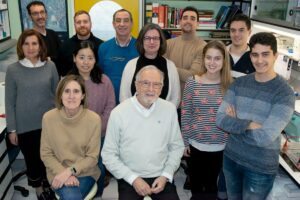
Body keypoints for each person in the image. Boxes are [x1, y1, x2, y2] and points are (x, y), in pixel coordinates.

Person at [216, 32, 295, 200]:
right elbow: (220, 119)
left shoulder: (284, 93)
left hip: (260, 168)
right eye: (255, 54)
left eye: (265, 54)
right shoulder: (239, 83)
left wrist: (236, 123)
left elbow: (264, 137)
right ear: (250, 55)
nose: (259, 60)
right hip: (231, 159)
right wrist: (251, 124)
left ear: (275, 55)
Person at [102, 65, 184, 200]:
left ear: (162, 87)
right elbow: (108, 155)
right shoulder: (119, 113)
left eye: (156, 84)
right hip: (130, 177)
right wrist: (133, 179)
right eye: (146, 83)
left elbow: (177, 147)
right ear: (136, 84)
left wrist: (166, 175)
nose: (151, 89)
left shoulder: (169, 109)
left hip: (161, 176)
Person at [5, 29, 59, 200]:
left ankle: (49, 184)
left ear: (40, 46)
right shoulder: (13, 70)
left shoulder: (50, 66)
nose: (30, 47)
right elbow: (9, 102)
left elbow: (57, 94)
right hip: (25, 125)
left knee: (49, 158)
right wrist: (12, 129)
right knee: (32, 159)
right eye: (26, 43)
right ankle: (38, 189)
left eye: (34, 43)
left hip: (49, 124)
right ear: (21, 46)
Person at [181, 40, 232, 200]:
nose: (212, 62)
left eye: (217, 58)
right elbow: (186, 112)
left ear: (224, 61)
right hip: (195, 143)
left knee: (211, 187)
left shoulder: (230, 85)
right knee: (196, 187)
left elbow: (234, 119)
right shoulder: (193, 82)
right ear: (203, 59)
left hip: (220, 145)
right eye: (208, 57)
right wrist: (184, 142)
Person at [40, 75, 101, 200]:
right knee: (71, 196)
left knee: (71, 197)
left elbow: (92, 157)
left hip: (85, 172)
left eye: (76, 91)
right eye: (67, 91)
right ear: (60, 95)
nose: (71, 96)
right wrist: (63, 173)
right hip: (57, 171)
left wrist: (70, 172)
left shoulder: (94, 119)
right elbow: (46, 154)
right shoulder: (48, 118)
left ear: (83, 96)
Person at [69, 40, 116, 197]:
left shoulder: (105, 81)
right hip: (73, 136)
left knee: (99, 167)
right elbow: (61, 110)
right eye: (81, 57)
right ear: (74, 58)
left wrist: (96, 129)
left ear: (95, 60)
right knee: (77, 167)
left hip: (99, 135)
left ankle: (98, 195)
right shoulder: (67, 82)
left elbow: (110, 108)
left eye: (90, 58)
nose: (85, 62)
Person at [119, 23, 180, 107]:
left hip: (162, 118)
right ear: (141, 41)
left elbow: (175, 98)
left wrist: (165, 114)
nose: (152, 42)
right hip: (135, 117)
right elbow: (123, 97)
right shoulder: (130, 65)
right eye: (147, 38)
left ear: (161, 41)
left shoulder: (170, 66)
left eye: (155, 38)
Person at [98, 9, 139, 104]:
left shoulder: (140, 47)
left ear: (132, 23)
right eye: (118, 20)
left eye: (126, 20)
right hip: (108, 101)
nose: (122, 24)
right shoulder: (104, 47)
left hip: (134, 102)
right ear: (113, 24)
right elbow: (99, 76)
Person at [165, 6, 206, 94]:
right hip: (169, 97)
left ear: (197, 24)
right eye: (185, 18)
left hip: (192, 99)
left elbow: (193, 76)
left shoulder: (203, 47)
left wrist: (168, 68)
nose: (188, 21)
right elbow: (161, 71)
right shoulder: (167, 44)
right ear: (180, 22)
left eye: (192, 18)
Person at [56, 10, 103, 77]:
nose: (82, 25)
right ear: (74, 25)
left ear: (91, 23)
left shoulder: (101, 46)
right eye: (78, 22)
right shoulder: (64, 47)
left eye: (85, 21)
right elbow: (62, 73)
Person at [227, 14, 255, 78]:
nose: (236, 34)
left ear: (249, 32)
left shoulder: (256, 56)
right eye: (233, 30)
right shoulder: (221, 52)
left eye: (241, 30)